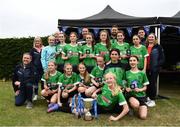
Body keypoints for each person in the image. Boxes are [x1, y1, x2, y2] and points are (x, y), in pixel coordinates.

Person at [125, 55, 149, 119]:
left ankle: (143, 107)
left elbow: (145, 87)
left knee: (143, 117)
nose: (132, 62)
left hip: (141, 96)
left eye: (134, 60)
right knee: (135, 104)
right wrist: (127, 89)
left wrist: (140, 90)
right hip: (131, 95)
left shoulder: (142, 73)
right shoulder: (126, 73)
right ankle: (131, 107)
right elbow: (124, 85)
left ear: (137, 62)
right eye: (130, 61)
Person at [145, 33, 165, 107]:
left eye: (152, 37)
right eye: (149, 37)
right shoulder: (145, 46)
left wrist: (156, 65)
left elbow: (162, 59)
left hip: (154, 69)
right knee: (146, 83)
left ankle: (152, 99)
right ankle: (147, 98)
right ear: (147, 38)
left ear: (155, 38)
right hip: (145, 69)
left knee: (152, 83)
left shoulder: (158, 47)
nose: (150, 38)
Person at [30, 36, 44, 101]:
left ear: (41, 42)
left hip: (43, 68)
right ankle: (35, 94)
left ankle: (43, 95)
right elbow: (30, 59)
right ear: (34, 42)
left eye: (39, 41)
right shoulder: (32, 50)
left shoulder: (44, 48)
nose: (37, 42)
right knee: (35, 82)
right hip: (35, 68)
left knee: (43, 81)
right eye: (36, 41)